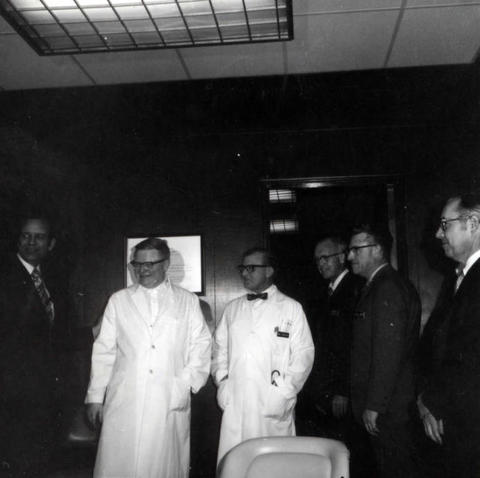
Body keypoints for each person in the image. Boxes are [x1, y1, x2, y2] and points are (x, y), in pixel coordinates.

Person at [85, 238, 211, 478]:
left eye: (150, 264)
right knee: (120, 464)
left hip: (169, 396)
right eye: (137, 264)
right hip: (125, 398)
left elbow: (202, 346)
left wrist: (185, 384)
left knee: (162, 466)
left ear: (166, 264)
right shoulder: (118, 300)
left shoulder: (188, 301)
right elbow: (104, 350)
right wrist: (95, 396)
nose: (142, 270)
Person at [212, 247, 314, 463]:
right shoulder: (233, 309)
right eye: (243, 268)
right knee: (236, 466)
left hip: (272, 403)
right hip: (236, 402)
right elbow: (219, 349)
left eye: (251, 268)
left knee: (272, 465)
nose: (244, 273)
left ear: (269, 271)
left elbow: (304, 355)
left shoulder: (291, 308)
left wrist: (285, 391)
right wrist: (222, 381)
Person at [347, 224, 421, 478]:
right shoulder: (379, 285)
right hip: (387, 405)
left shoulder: (386, 287)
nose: (349, 256)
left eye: (356, 249)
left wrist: (375, 405)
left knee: (395, 469)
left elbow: (387, 352)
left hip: (387, 409)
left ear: (377, 250)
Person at [0, 215, 71, 477]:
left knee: (38, 461)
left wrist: (94, 332)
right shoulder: (5, 275)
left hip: (44, 391)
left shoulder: (52, 279)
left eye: (39, 237)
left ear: (50, 244)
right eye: (26, 235)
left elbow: (57, 336)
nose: (31, 242)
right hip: (11, 392)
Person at [418, 194, 480, 477]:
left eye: (445, 224)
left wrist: (433, 402)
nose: (437, 233)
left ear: (473, 223)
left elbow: (469, 358)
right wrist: (425, 400)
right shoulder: (457, 278)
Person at [312, 236, 364, 439]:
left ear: (342, 257)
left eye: (325, 257)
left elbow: (352, 345)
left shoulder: (356, 288)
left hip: (343, 392)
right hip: (327, 389)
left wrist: (343, 390)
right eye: (318, 260)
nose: (321, 264)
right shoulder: (327, 291)